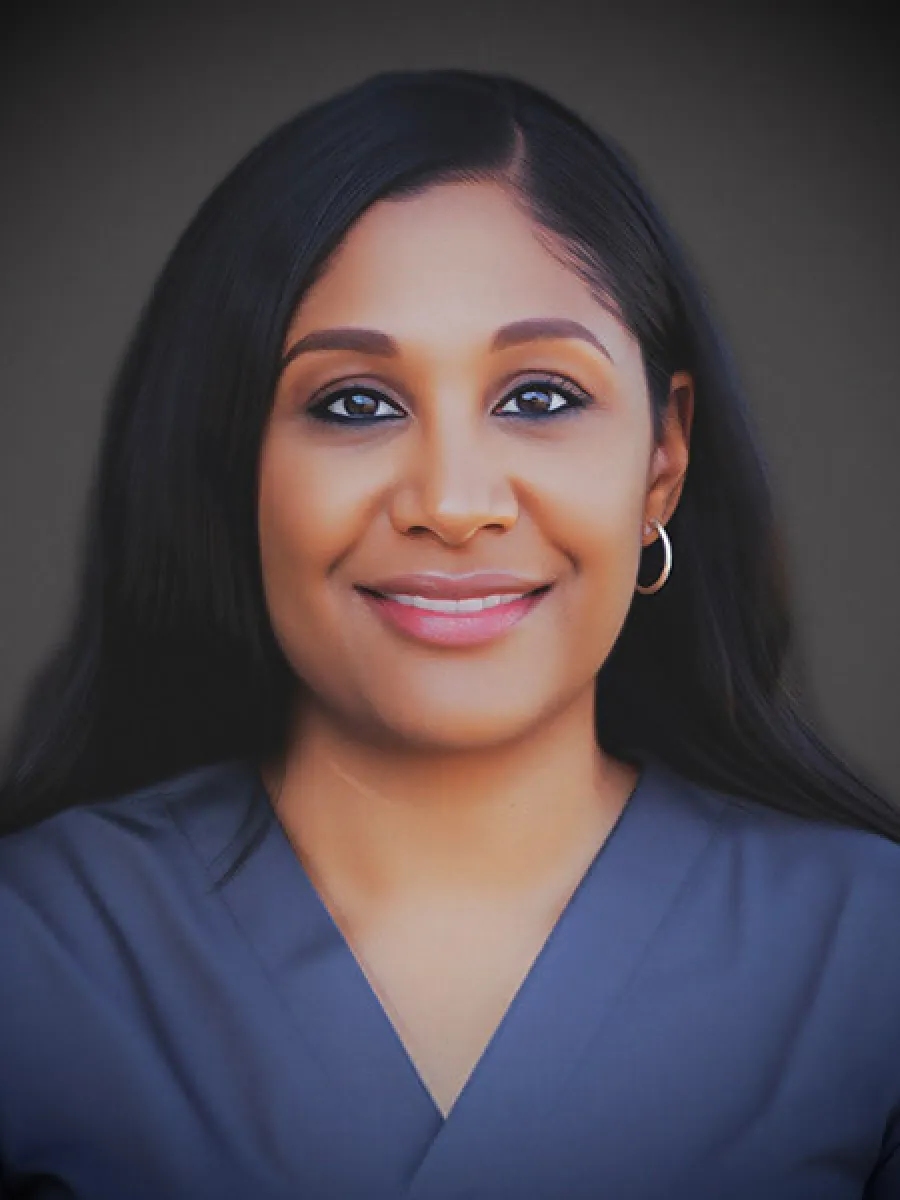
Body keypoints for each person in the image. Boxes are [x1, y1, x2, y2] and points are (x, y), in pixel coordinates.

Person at [0, 68, 898, 1200]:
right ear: (239, 463)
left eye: (538, 396)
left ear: (661, 464)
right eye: (355, 404)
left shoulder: (874, 957)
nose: (454, 500)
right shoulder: (29, 950)